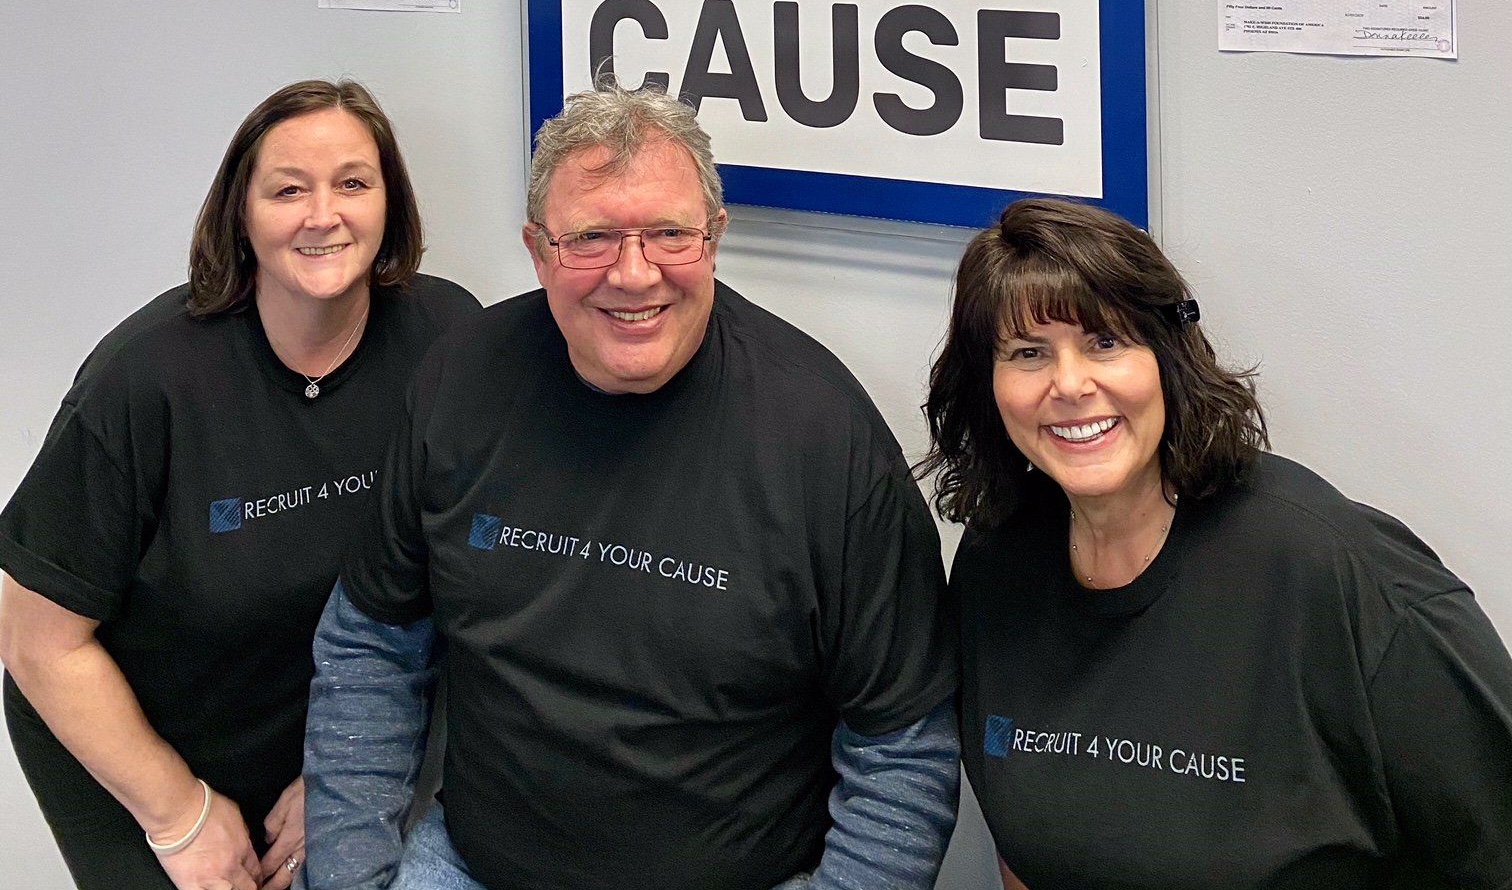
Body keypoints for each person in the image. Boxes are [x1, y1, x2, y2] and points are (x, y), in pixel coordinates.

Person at [302, 80, 959, 890]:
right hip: (474, 864)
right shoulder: (461, 379)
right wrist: (349, 878)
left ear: (715, 237)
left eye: (669, 234)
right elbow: (371, 644)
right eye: (591, 238)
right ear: (538, 249)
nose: (634, 273)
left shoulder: (824, 437)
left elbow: (903, 745)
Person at [922, 195, 1512, 890]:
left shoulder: (1341, 577)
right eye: (1028, 353)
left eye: (1105, 342)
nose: (1070, 384)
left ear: (1169, 356)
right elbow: (1027, 847)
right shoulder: (997, 564)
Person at [0, 79, 479, 890]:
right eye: (288, 189)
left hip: (327, 726)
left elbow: (453, 580)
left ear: (390, 204)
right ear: (242, 215)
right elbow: (36, 638)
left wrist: (348, 772)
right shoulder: (148, 379)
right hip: (134, 739)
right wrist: (178, 815)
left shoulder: (443, 337)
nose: (322, 214)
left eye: (353, 184)